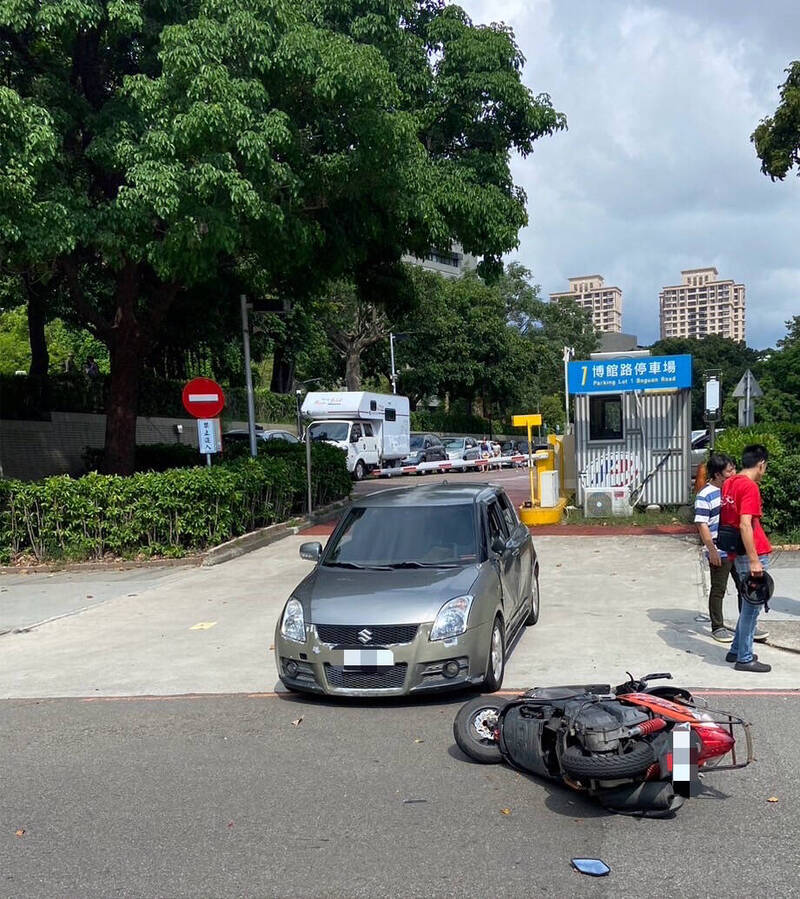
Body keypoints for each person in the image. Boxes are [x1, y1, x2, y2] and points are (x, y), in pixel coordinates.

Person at [720, 444, 772, 673]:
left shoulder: (729, 483)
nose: (765, 471)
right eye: (765, 467)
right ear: (761, 464)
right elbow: (745, 524)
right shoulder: (749, 487)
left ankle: (736, 649)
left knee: (747, 606)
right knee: (752, 607)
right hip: (752, 551)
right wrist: (754, 560)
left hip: (736, 550)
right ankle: (745, 657)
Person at [693, 452, 736, 642]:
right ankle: (717, 626)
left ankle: (747, 624)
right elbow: (702, 524)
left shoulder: (732, 490)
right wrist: (712, 550)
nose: (734, 473)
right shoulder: (705, 495)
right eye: (729, 470)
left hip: (737, 547)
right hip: (718, 549)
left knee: (745, 586)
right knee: (719, 589)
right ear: (718, 474)